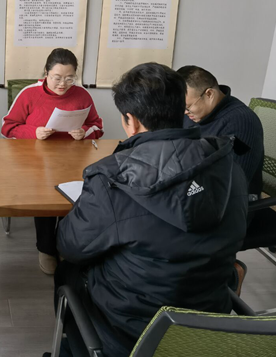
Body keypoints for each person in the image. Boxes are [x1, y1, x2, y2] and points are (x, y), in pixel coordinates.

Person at [52, 63, 248, 357]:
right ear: (180, 109)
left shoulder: (111, 178)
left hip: (130, 335)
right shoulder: (228, 166)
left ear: (130, 121)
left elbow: (71, 245)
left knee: (68, 270)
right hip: (207, 327)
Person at [1, 48, 103, 276]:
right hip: (37, 161)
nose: (63, 84)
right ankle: (46, 249)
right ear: (46, 73)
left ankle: (66, 246)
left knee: (76, 199)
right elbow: (7, 127)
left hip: (73, 160)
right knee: (46, 200)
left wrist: (85, 132)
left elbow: (97, 125)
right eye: (57, 78)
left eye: (69, 78)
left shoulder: (82, 95)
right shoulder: (29, 93)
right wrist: (33, 132)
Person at [177, 66, 265, 197]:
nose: (185, 112)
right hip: (192, 184)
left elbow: (232, 185)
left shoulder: (242, 123)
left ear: (209, 94)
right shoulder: (195, 115)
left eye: (188, 106)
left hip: (223, 200)